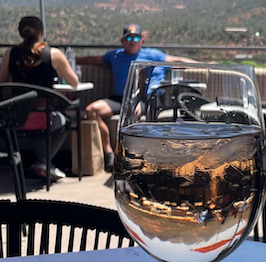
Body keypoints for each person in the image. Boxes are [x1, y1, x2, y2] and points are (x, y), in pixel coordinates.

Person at [77, 24, 195, 171]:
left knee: (135, 113)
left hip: (143, 99)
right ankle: (109, 153)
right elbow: (93, 60)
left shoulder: (153, 55)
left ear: (142, 41)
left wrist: (207, 65)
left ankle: (131, 157)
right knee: (91, 110)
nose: (132, 41)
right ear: (122, 40)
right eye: (128, 38)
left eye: (136, 37)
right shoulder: (114, 56)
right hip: (120, 99)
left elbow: (178, 61)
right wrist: (67, 60)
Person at [0, 15, 79, 181]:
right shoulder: (53, 54)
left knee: (47, 119)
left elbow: (1, 83)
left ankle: (39, 163)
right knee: (64, 120)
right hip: (45, 118)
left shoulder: (10, 53)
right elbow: (74, 82)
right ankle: (44, 161)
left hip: (17, 118)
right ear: (42, 33)